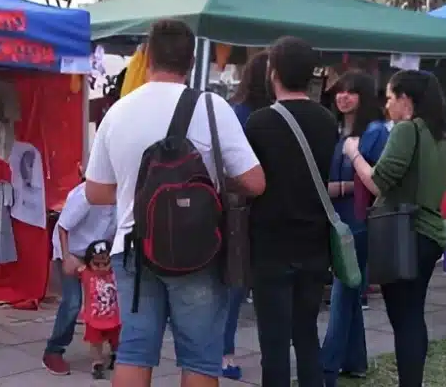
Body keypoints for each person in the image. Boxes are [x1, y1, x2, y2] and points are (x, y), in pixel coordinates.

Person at [85, 19, 265, 387]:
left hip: (132, 248)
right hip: (198, 249)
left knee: (135, 351)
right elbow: (255, 182)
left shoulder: (119, 111)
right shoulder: (213, 107)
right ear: (190, 61)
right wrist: (212, 181)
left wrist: (133, 189)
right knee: (200, 357)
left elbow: (95, 192)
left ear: (148, 56)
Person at [348, 69, 446, 387]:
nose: (387, 105)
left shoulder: (407, 130)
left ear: (406, 100)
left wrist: (354, 154)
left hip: (405, 234)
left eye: (391, 97)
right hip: (430, 235)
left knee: (403, 318)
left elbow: (380, 182)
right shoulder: (443, 140)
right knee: (412, 315)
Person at [243, 37, 336, 387]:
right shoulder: (327, 121)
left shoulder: (259, 122)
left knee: (275, 344)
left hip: (270, 245)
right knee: (307, 335)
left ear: (274, 72)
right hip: (314, 244)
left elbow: (250, 182)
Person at [320, 71, 388, 386]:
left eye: (351, 92)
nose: (343, 97)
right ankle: (355, 361)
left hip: (359, 222)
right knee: (348, 290)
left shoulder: (374, 132)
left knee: (344, 291)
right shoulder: (337, 130)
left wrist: (339, 187)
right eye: (339, 91)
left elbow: (376, 181)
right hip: (339, 220)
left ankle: (326, 367)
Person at [221, 50, 271, 381]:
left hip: (258, 208)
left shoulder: (254, 112)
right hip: (243, 208)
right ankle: (224, 351)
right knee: (235, 286)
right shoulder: (241, 113)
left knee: (245, 285)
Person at [43, 178, 117, 375]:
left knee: (108, 299)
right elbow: (63, 226)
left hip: (99, 254)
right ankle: (54, 350)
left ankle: (115, 347)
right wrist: (67, 257)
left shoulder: (122, 192)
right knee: (73, 302)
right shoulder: (87, 193)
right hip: (72, 251)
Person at [79, 239, 122, 380]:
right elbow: (70, 268)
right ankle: (97, 362)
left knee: (116, 339)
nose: (101, 267)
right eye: (96, 264)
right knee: (95, 341)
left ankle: (116, 355)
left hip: (115, 316)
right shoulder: (85, 273)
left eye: (105, 263)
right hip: (93, 317)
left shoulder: (116, 273)